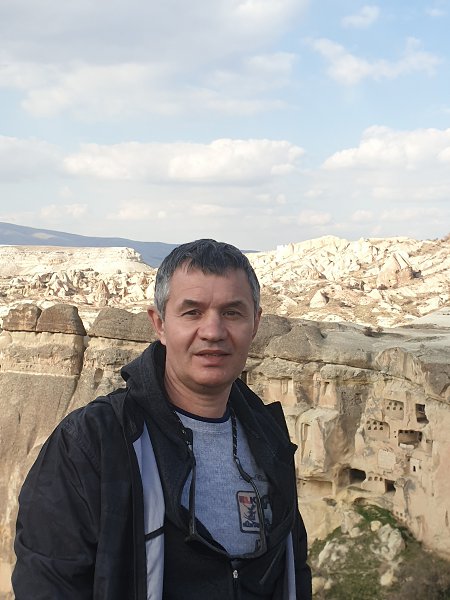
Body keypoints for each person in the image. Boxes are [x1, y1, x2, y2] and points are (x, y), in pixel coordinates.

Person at [12, 239, 312, 599]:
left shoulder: (271, 439)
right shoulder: (93, 443)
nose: (213, 331)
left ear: (255, 323)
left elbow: (293, 572)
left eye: (232, 312)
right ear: (159, 324)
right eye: (192, 312)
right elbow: (48, 583)